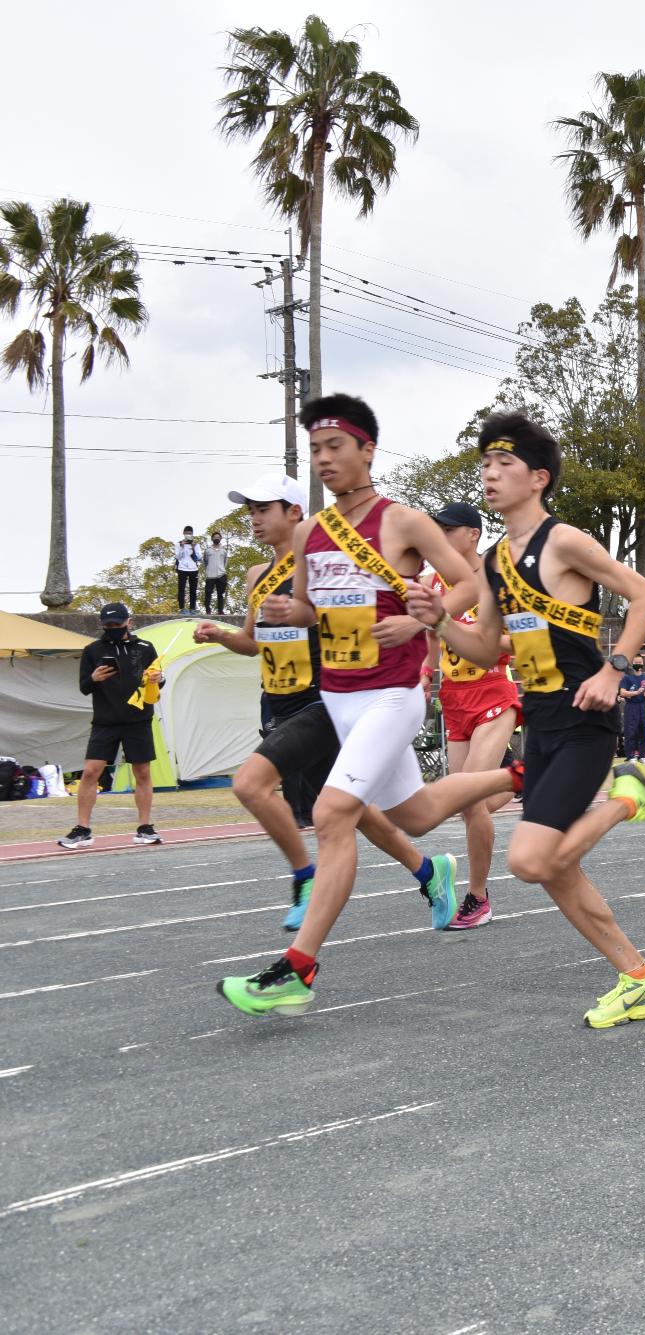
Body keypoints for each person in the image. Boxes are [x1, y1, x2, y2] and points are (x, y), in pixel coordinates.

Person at [215, 395, 534, 1017]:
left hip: (393, 694)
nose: (325, 460)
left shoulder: (404, 522)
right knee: (412, 817)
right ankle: (527, 773)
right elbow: (312, 609)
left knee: (334, 814)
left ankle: (296, 971)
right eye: (315, 450)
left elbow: (465, 582)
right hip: (336, 699)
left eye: (335, 447)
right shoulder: (310, 533)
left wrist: (421, 624)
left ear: (367, 450)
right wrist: (288, 612)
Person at [403, 412, 645, 1025]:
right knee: (560, 870)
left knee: (533, 862)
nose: (490, 474)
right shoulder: (497, 564)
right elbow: (485, 650)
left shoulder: (565, 542)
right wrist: (439, 622)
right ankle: (640, 977)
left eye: (504, 464)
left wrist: (614, 669)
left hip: (586, 721)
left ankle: (629, 799)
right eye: (485, 464)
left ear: (538, 478)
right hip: (542, 723)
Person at [195, 473, 451, 931]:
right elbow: (254, 644)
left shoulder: (326, 559)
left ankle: (305, 877)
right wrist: (220, 637)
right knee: (359, 815)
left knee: (251, 784)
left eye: (263, 509)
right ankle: (429, 873)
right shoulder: (257, 577)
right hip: (276, 705)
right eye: (250, 510)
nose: (253, 519)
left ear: (295, 513)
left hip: (322, 701)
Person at [424, 500, 523, 929]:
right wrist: (428, 675)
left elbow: (518, 643)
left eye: (448, 529)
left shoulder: (495, 578)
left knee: (469, 796)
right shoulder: (434, 582)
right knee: (466, 804)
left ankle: (478, 896)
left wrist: (470, 636)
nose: (439, 537)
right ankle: (523, 778)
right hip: (454, 698)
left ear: (472, 534)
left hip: (493, 692)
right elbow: (430, 634)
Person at [57, 602, 163, 849]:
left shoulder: (146, 648)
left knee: (143, 772)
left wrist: (159, 678)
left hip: (138, 719)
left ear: (129, 622)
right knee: (91, 771)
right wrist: (94, 678)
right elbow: (84, 687)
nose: (112, 628)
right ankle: (82, 829)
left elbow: (157, 681)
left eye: (117, 624)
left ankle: (144, 827)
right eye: (108, 625)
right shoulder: (92, 650)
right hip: (105, 721)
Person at [617, 658, 645, 760]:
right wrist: (636, 693)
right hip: (631, 706)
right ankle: (630, 756)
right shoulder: (627, 678)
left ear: (643, 663)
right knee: (630, 731)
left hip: (643, 706)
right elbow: (622, 693)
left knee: (644, 730)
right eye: (636, 663)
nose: (638, 664)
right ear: (632, 664)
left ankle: (643, 756)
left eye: (640, 662)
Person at [174, 528, 202, 612]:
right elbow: (178, 557)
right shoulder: (178, 544)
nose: (188, 535)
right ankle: (181, 608)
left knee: (193, 589)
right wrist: (182, 547)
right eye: (187, 533)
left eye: (190, 533)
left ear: (192, 534)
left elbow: (199, 557)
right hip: (182, 568)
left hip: (193, 569)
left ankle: (192, 608)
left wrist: (193, 548)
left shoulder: (196, 545)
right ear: (183, 533)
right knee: (181, 589)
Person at [202, 531, 230, 615]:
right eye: (215, 537)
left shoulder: (224, 551)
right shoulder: (207, 551)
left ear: (221, 539)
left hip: (221, 574)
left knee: (220, 594)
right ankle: (208, 610)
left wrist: (222, 569)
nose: (216, 538)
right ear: (212, 539)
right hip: (210, 575)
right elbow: (205, 562)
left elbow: (225, 562)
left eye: (218, 537)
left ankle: (220, 610)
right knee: (208, 593)